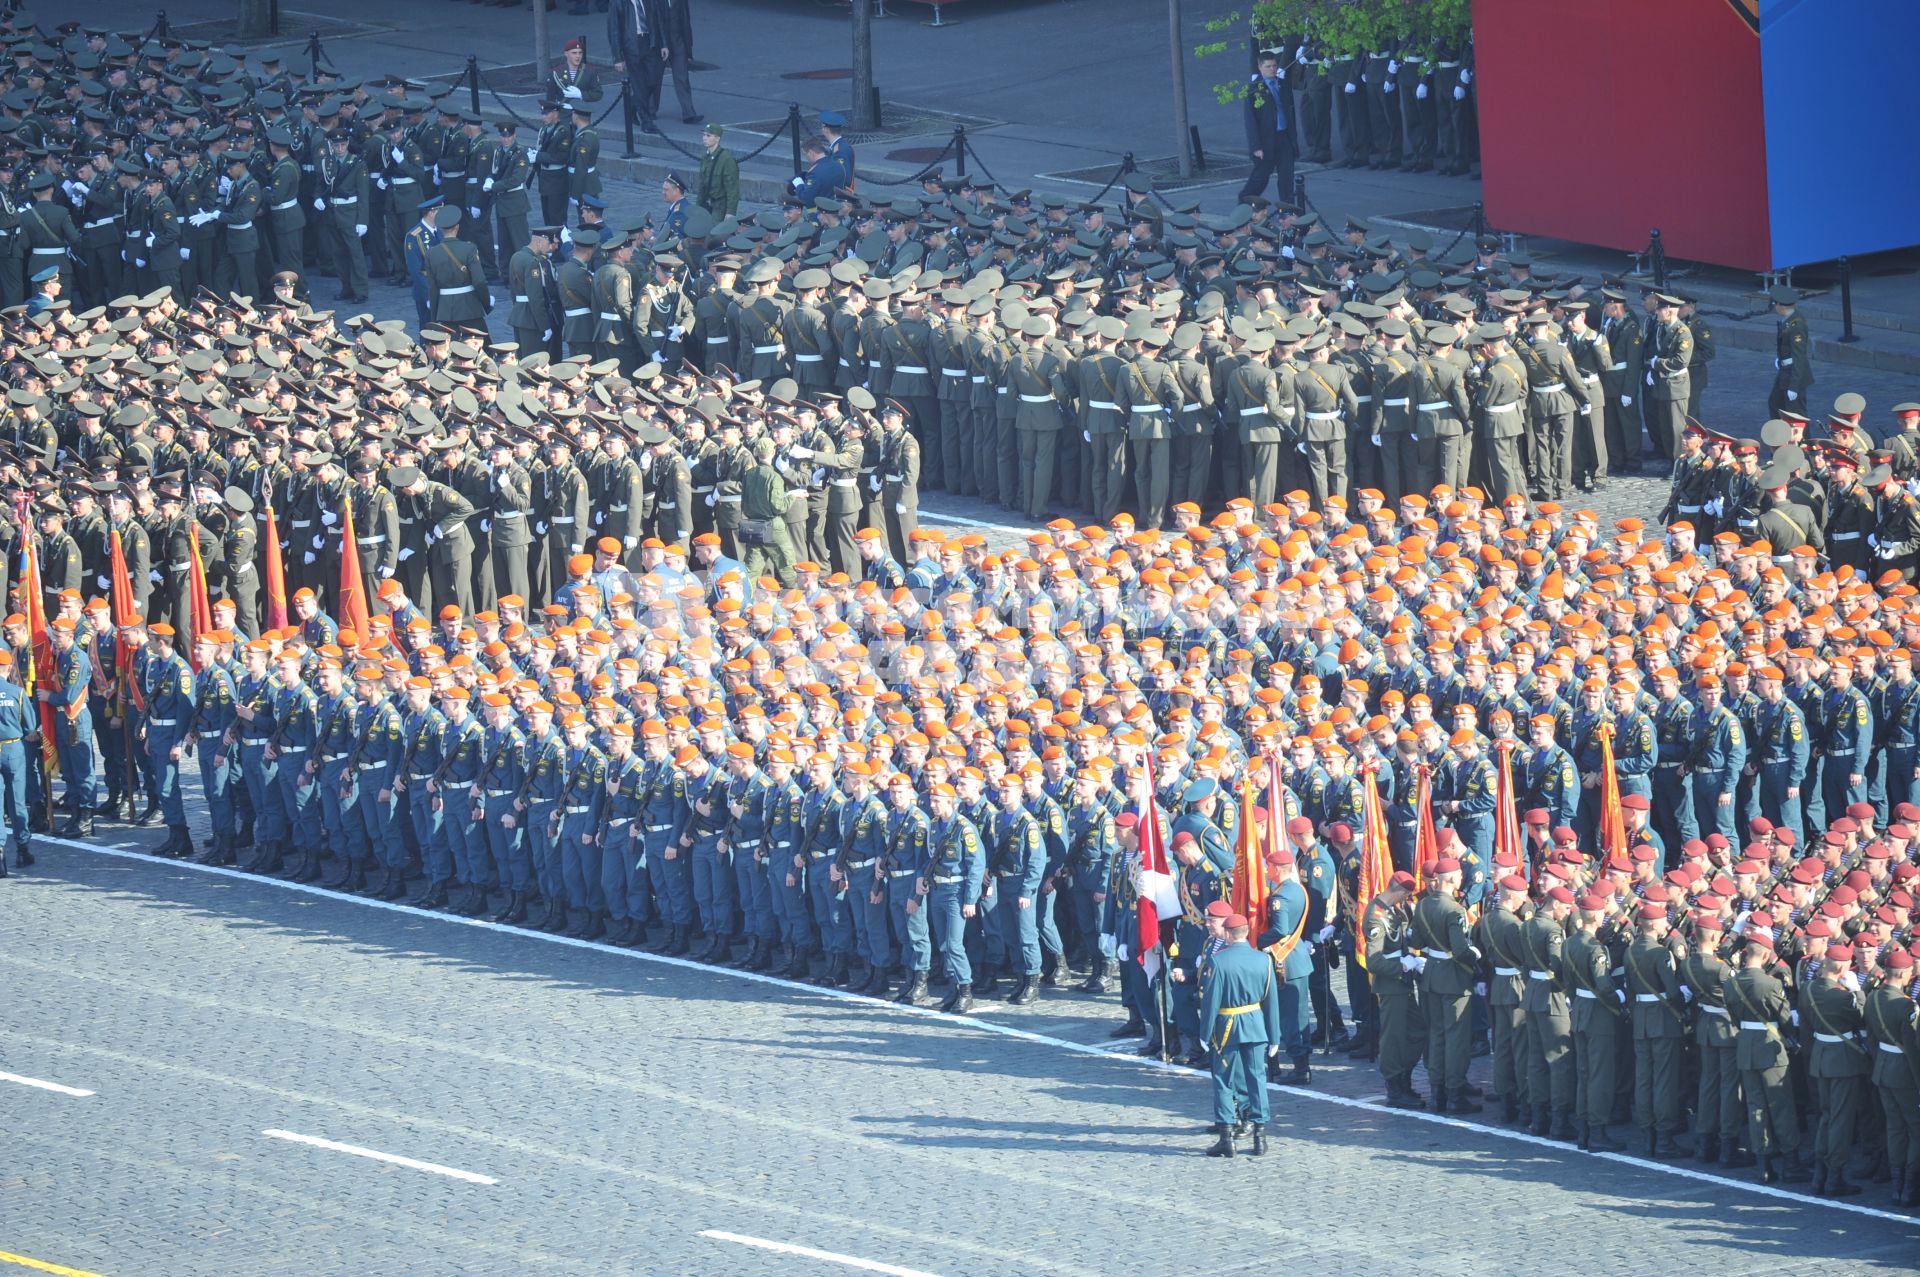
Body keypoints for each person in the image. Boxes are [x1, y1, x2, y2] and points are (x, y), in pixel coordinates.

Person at [1201, 911, 1284, 1157]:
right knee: (1257, 1080)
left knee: (1224, 1080)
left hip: (1226, 1026)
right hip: (1256, 1025)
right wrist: (1275, 1035)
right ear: (1246, 933)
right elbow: (1271, 1001)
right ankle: (1260, 1138)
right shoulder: (1263, 960)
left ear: (1227, 934)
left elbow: (1211, 1001)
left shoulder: (1218, 961)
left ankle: (1226, 1138)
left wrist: (1205, 1032)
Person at [1237, 48, 1297, 209]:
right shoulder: (1255, 89)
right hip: (1266, 140)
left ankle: (1288, 209)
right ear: (1260, 67)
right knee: (1261, 177)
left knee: (1287, 177)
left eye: (1274, 66)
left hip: (1283, 137)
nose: (1272, 69)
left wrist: (1293, 139)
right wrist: (1256, 146)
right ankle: (1244, 201)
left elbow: (1290, 113)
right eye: (1268, 66)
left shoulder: (1283, 84)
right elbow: (1250, 121)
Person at [695, 124, 739, 218]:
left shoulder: (727, 159)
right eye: (704, 135)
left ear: (717, 138)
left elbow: (732, 188)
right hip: (706, 204)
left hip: (719, 207)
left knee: (714, 231)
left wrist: (730, 212)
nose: (704, 138)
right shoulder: (705, 158)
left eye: (708, 136)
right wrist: (697, 207)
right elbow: (702, 186)